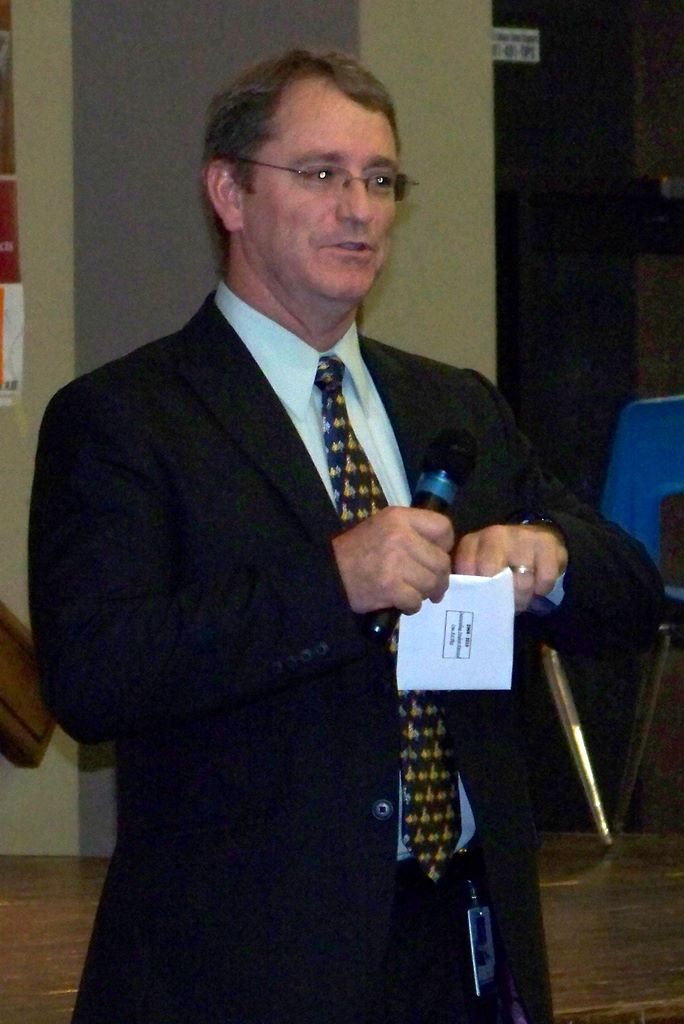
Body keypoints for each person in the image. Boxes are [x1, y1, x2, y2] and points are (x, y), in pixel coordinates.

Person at [29, 49, 662, 1024]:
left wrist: (556, 560)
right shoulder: (128, 418)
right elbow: (94, 674)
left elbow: (633, 597)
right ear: (229, 193)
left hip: (460, 947)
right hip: (245, 969)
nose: (359, 209)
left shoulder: (454, 403)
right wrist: (333, 583)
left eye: (380, 180)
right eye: (322, 173)